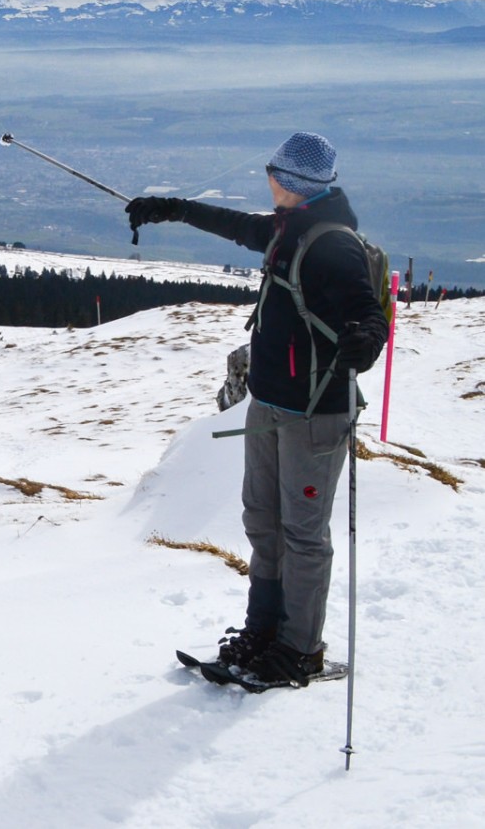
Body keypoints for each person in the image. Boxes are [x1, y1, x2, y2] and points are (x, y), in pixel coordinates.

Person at [126, 131, 388, 684]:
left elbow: (368, 313)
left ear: (290, 181)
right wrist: (172, 209)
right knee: (263, 522)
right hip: (268, 403)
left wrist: (367, 338)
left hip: (315, 414)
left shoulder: (331, 243)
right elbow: (234, 225)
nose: (266, 177)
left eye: (273, 171)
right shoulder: (286, 229)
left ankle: (299, 650)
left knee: (302, 534)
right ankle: (263, 631)